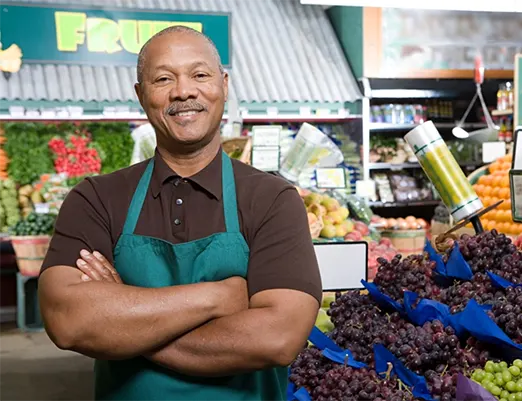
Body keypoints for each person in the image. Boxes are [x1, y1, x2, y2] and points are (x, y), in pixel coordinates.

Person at [38, 26, 322, 401]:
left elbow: (277, 338)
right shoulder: (96, 199)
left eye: (199, 75)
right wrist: (218, 296)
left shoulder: (272, 199)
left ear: (223, 84)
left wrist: (122, 322)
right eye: (163, 78)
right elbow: (68, 321)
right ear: (141, 95)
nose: (183, 91)